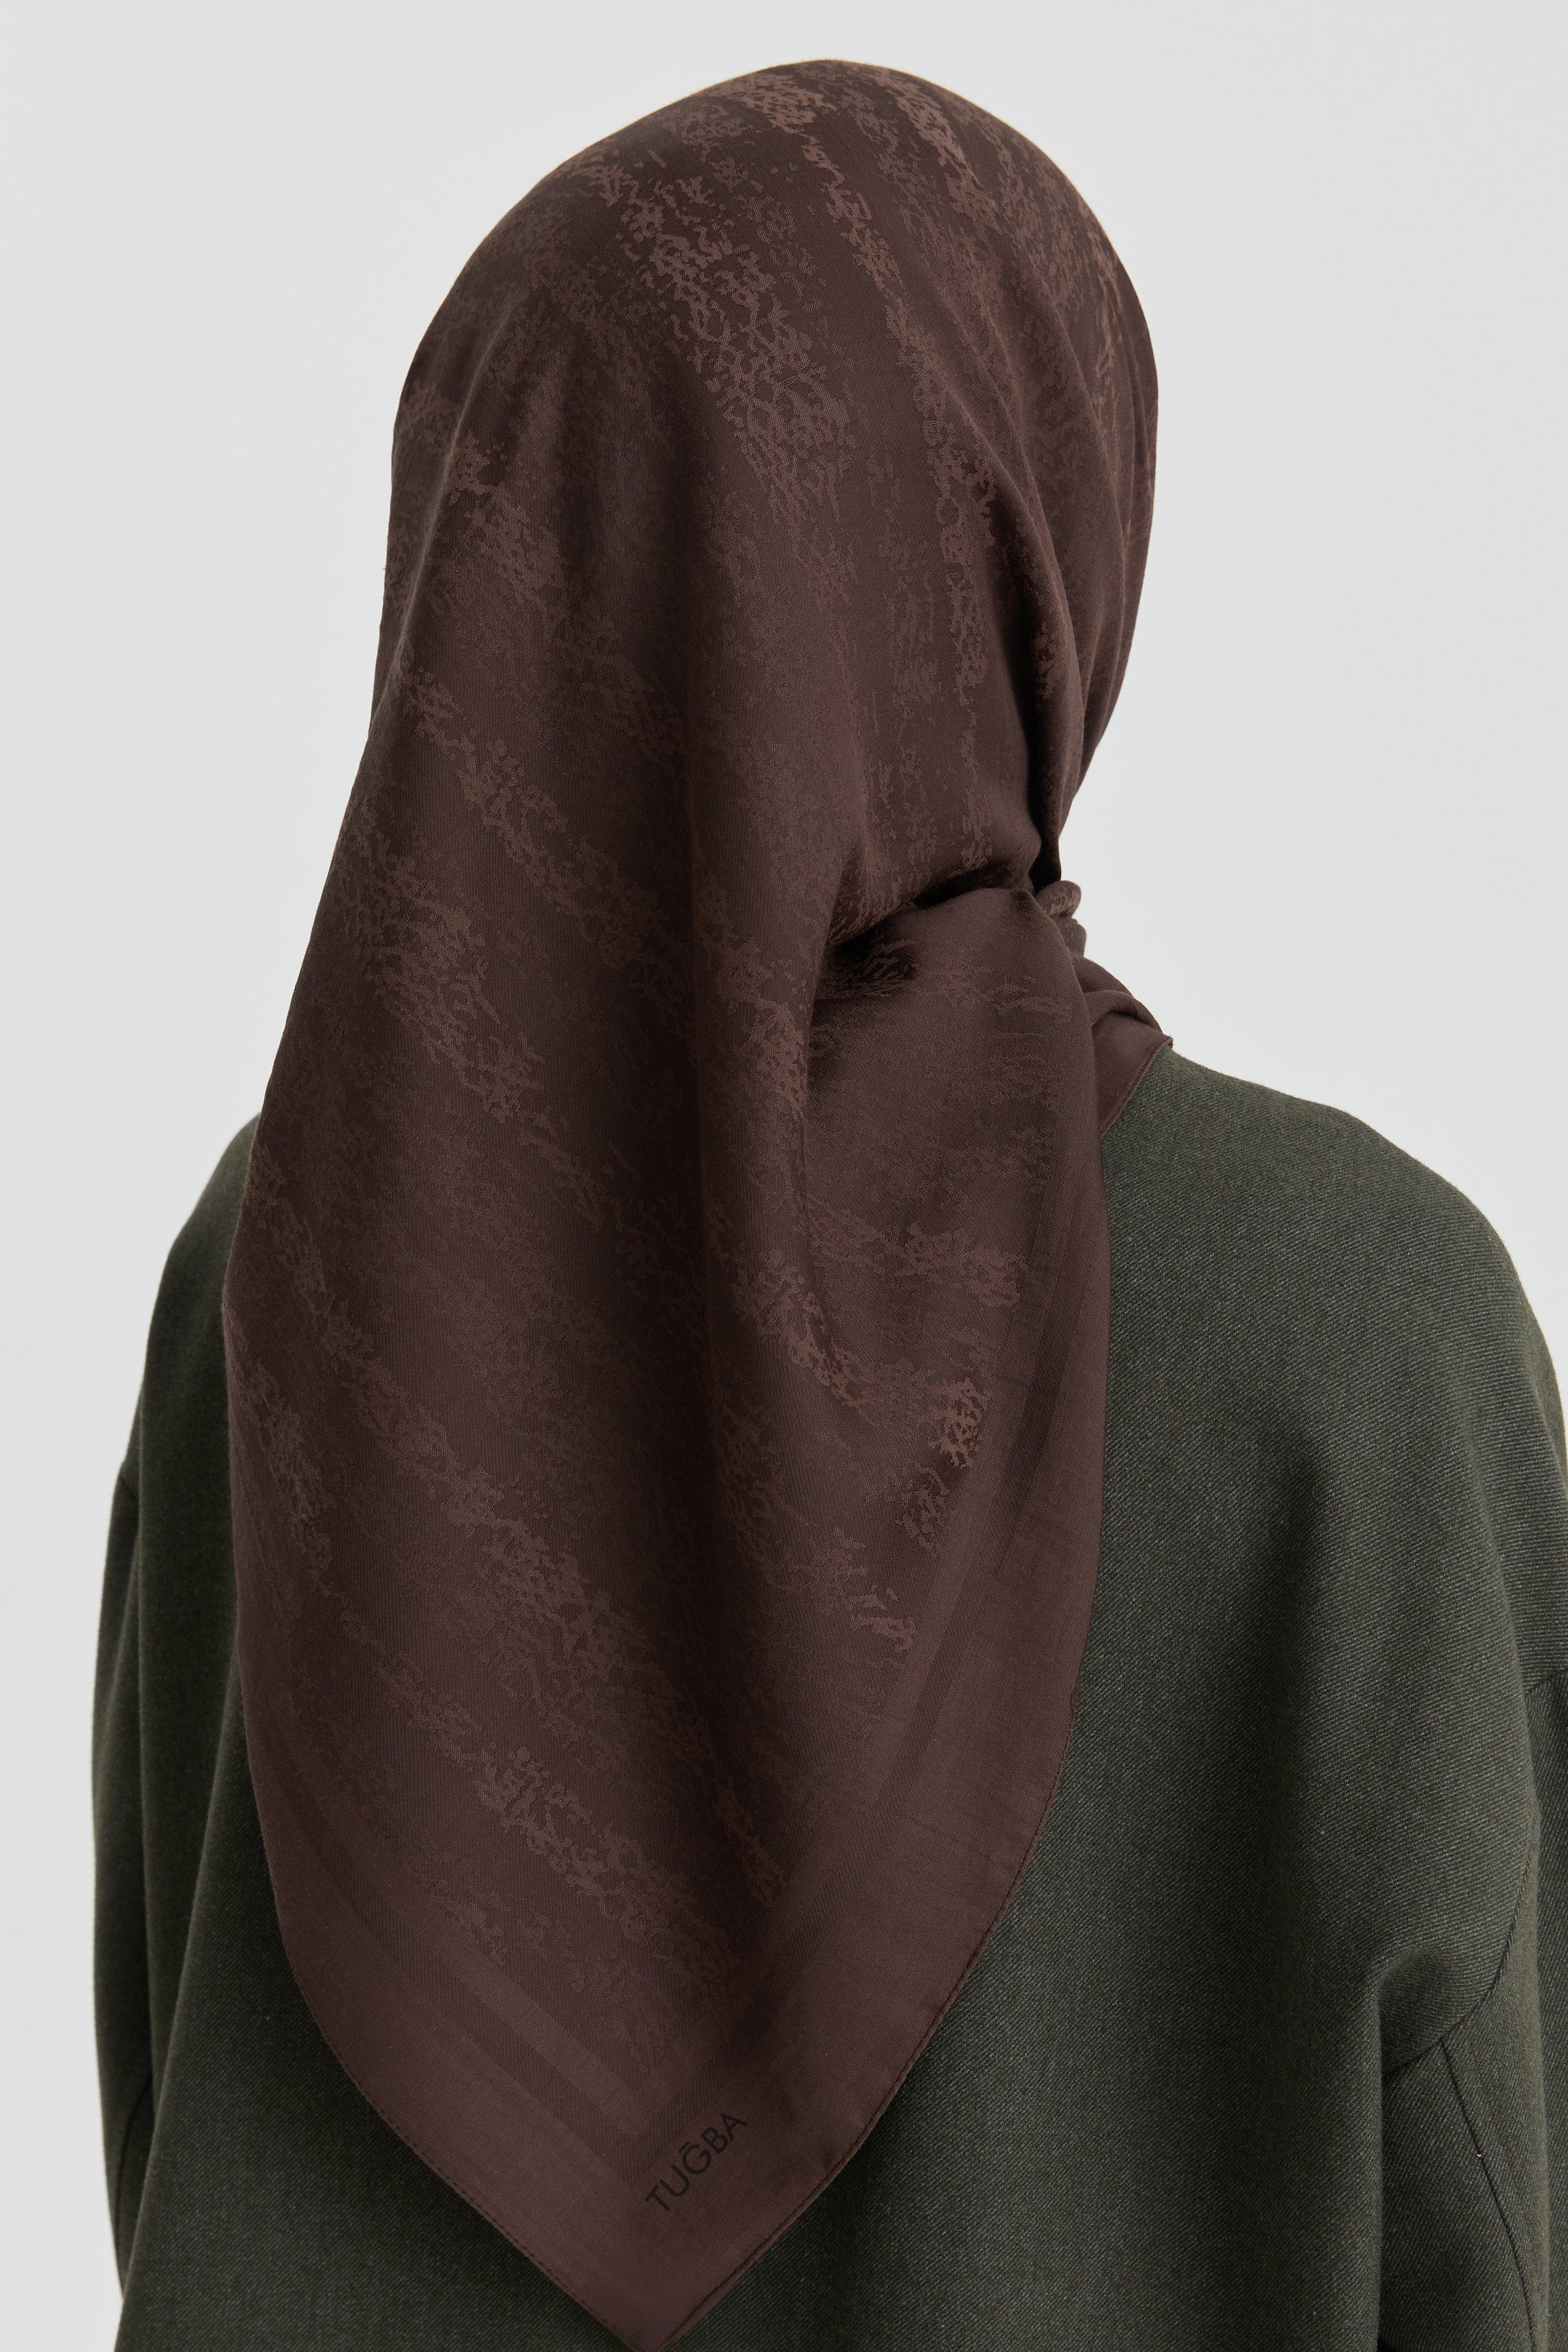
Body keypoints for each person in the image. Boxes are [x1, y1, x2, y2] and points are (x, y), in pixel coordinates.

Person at [94, 57, 1567, 2352]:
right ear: (1022, 557)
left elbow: (166, 2082)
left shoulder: (268, 1270)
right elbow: (1494, 2216)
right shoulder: (1348, 1328)